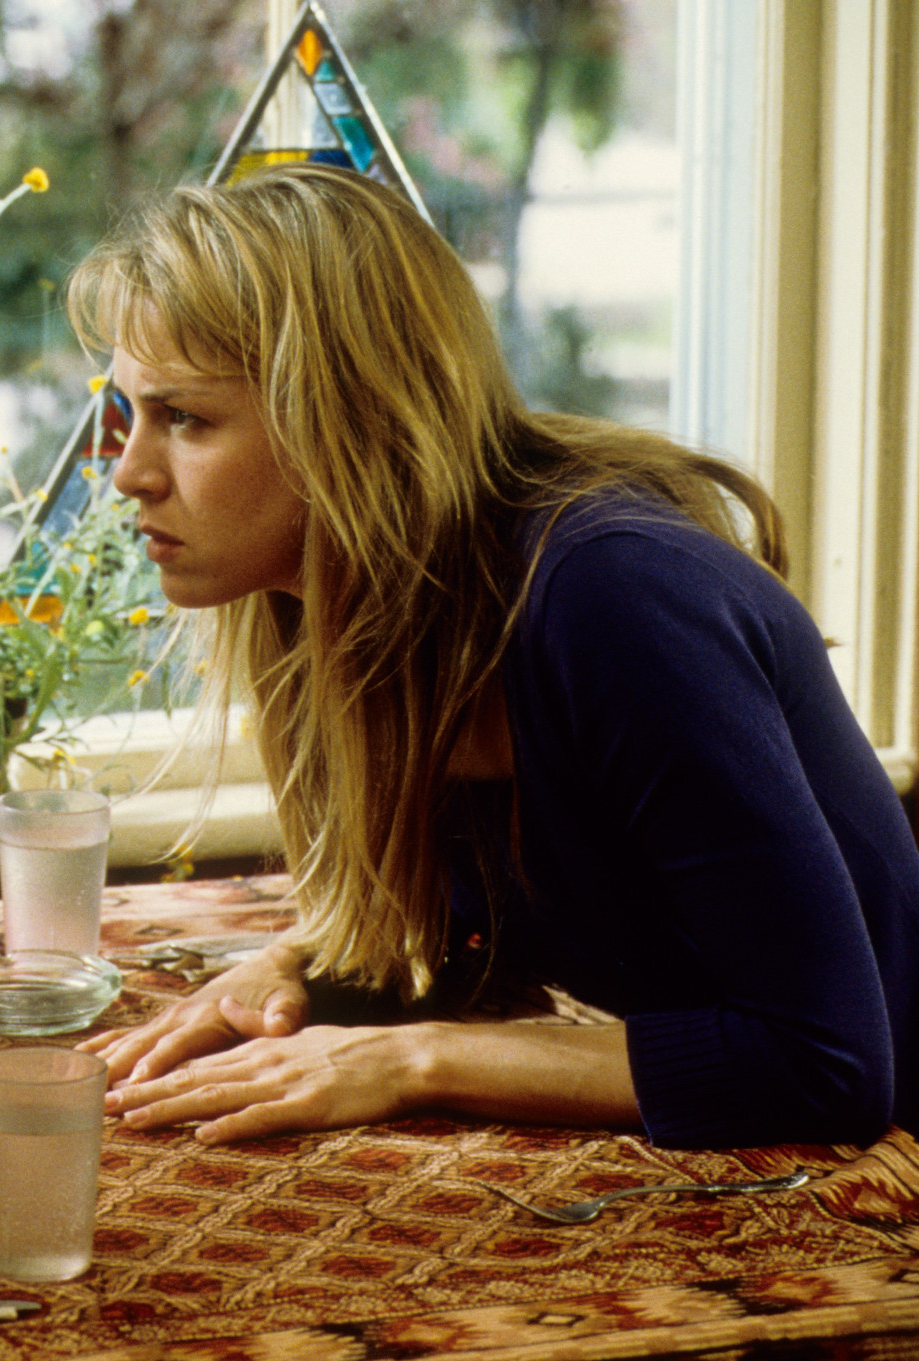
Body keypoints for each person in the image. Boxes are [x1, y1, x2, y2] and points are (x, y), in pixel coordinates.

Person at [72, 164, 917, 1152]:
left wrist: (403, 1059)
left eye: (185, 418)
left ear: (345, 421)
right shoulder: (327, 608)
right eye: (131, 414)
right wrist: (309, 969)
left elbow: (823, 1063)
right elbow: (492, 917)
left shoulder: (614, 598)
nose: (127, 471)